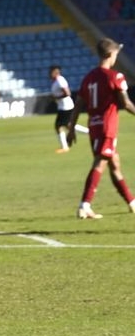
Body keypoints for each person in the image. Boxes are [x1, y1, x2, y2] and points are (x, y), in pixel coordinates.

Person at [67, 37, 135, 219]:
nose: (116, 58)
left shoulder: (89, 77)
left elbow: (78, 104)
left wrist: (71, 127)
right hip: (107, 128)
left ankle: (132, 202)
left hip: (94, 127)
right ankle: (85, 205)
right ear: (110, 54)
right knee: (100, 164)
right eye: (116, 54)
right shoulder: (115, 77)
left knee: (115, 165)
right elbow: (126, 103)